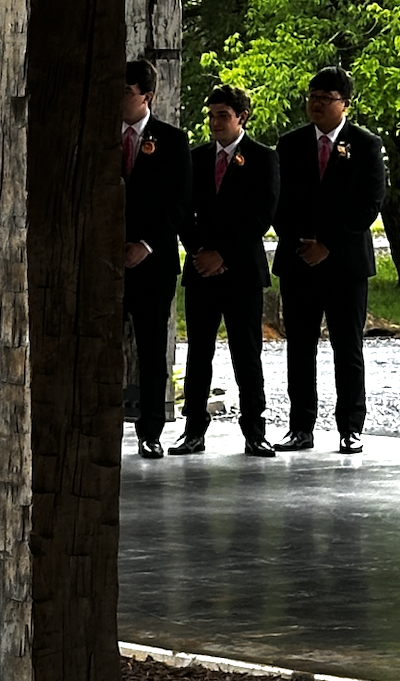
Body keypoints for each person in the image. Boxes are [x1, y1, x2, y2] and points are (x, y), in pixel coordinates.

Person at [272, 67, 387, 454]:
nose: (317, 104)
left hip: (345, 264)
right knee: (300, 347)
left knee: (347, 347)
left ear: (345, 104)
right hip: (300, 259)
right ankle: (300, 427)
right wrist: (304, 242)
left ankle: (350, 427)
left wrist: (330, 244)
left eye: (326, 98)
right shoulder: (289, 145)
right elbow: (278, 202)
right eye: (313, 97)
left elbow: (369, 203)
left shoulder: (366, 145)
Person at [171, 84, 279, 458]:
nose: (215, 122)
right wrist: (199, 251)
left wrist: (224, 255)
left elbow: (261, 215)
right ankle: (193, 430)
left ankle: (254, 431)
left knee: (245, 353)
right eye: (211, 115)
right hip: (201, 267)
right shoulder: (195, 157)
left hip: (241, 271)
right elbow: (182, 209)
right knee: (198, 352)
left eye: (223, 115)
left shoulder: (262, 158)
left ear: (241, 117)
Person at [121, 59, 191, 458]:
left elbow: (180, 203)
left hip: (153, 261)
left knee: (151, 351)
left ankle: (151, 430)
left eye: (127, 92)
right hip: (107, 260)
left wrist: (146, 244)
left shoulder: (172, 140)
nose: (119, 98)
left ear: (146, 95)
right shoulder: (101, 135)